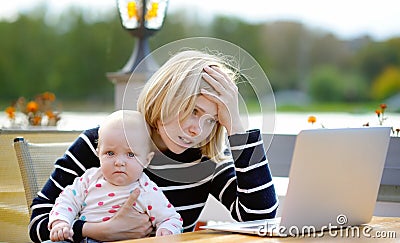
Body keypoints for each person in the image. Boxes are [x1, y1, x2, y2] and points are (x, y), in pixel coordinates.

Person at [29, 50, 278, 243]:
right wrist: (100, 231)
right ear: (166, 97)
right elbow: (38, 222)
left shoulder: (206, 159)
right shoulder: (107, 143)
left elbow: (259, 218)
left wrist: (236, 126)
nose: (197, 129)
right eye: (193, 111)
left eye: (211, 120)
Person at [47, 110, 182, 242]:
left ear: (146, 160)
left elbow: (170, 218)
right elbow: (66, 200)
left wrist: (166, 231)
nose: (119, 162)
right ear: (98, 154)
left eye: (130, 154)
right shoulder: (89, 179)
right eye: (110, 153)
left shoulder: (147, 190)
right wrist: (61, 222)